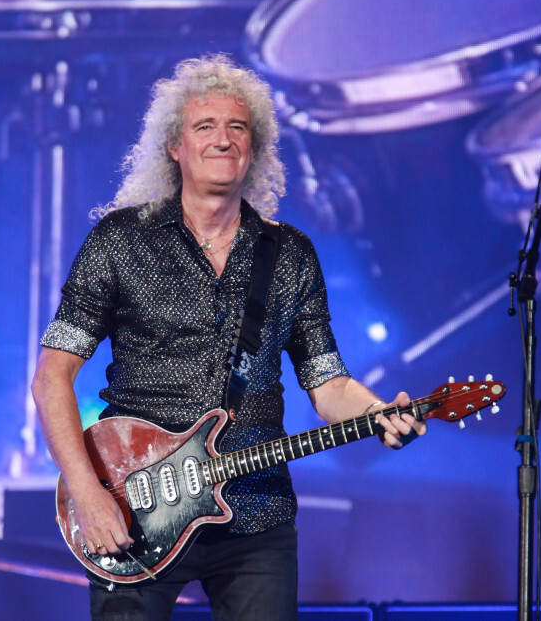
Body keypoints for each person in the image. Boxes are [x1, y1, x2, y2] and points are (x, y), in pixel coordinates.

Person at [31, 53, 426, 620]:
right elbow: (51, 378)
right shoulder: (119, 241)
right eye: (205, 126)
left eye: (237, 127)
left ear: (254, 147)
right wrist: (88, 493)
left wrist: (377, 413)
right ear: (175, 146)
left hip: (256, 514)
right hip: (133, 504)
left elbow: (328, 384)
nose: (223, 139)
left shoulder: (290, 254)